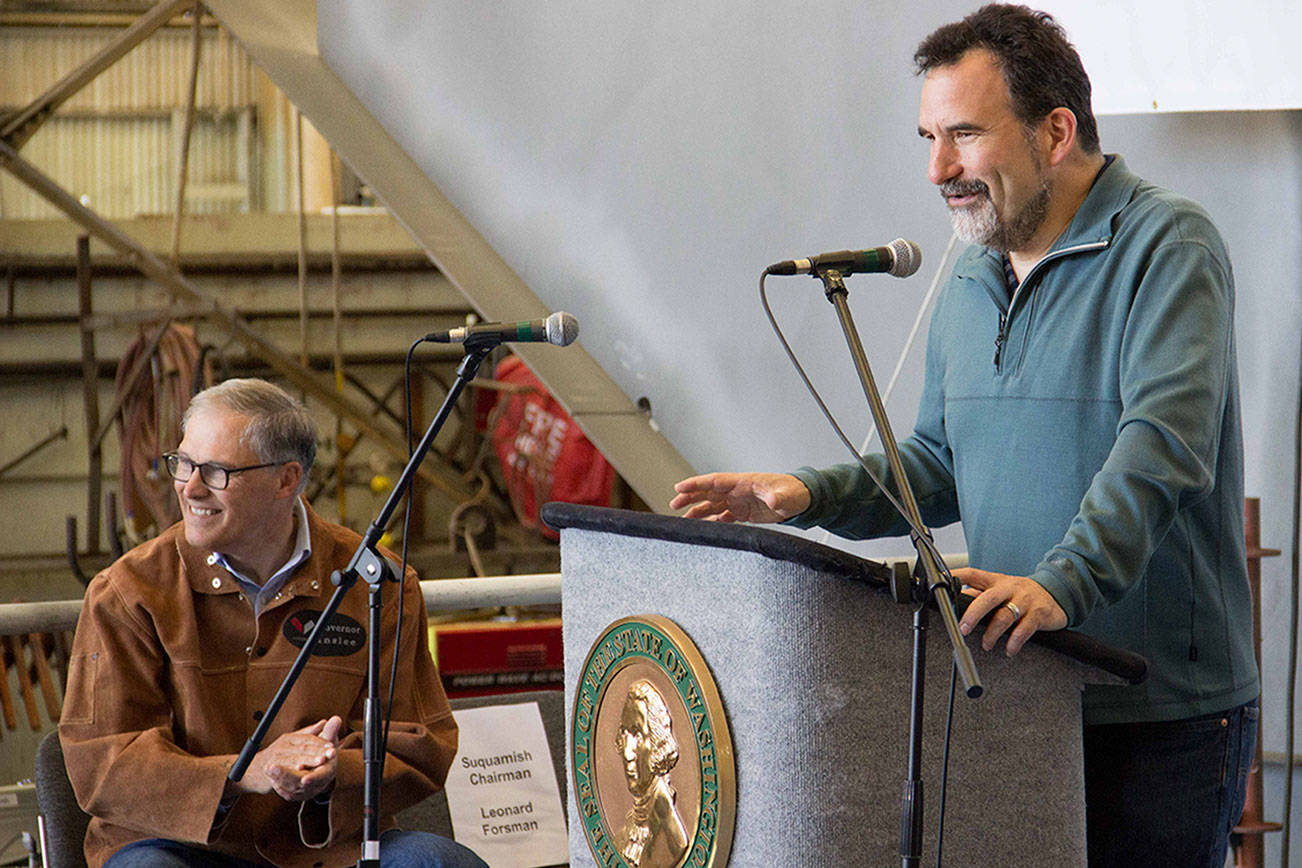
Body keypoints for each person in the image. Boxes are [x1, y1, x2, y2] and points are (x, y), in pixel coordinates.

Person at [670, 6, 1258, 867]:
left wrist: (1065, 581)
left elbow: (1163, 447)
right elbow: (939, 464)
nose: (939, 168)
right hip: (1027, 694)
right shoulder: (973, 272)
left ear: (1056, 131)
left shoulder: (1167, 247)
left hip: (1160, 715)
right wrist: (802, 495)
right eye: (928, 137)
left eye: (965, 135)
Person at [60, 378, 487, 868]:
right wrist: (243, 774)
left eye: (216, 471)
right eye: (183, 464)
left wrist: (333, 771)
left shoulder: (379, 583)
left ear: (286, 479)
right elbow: (104, 762)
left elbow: (419, 741)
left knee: (437, 861)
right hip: (180, 848)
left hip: (326, 851)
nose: (190, 487)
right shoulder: (129, 592)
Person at [615, 680, 689, 868]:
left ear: (658, 746)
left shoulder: (674, 839)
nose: (627, 753)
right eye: (625, 734)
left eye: (638, 735)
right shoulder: (628, 829)